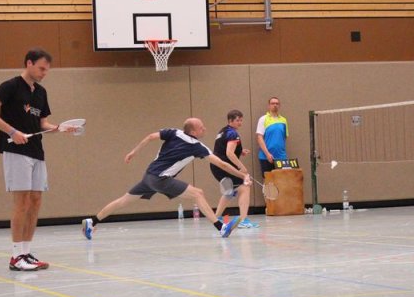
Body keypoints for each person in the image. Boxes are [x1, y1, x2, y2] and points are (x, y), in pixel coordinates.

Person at [0, 48, 75, 272]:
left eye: (47, 70)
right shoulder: (10, 86)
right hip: (15, 150)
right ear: (29, 63)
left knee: (35, 201)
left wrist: (60, 128)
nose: (44, 73)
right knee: (21, 201)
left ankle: (25, 252)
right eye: (41, 68)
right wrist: (12, 131)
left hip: (36, 151)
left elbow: (42, 125)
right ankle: (15, 256)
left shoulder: (41, 93)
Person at [81, 118, 251, 239]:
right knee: (198, 193)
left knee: (123, 201)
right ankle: (221, 228)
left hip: (148, 176)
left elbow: (150, 137)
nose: (204, 129)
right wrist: (242, 174)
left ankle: (92, 222)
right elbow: (221, 164)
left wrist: (133, 152)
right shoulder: (197, 146)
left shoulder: (174, 132)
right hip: (160, 179)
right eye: (201, 128)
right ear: (193, 132)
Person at [210, 110, 259, 229]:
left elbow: (222, 149)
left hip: (215, 166)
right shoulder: (233, 134)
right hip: (224, 166)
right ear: (230, 120)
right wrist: (242, 167)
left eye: (241, 120)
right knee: (244, 187)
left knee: (230, 191)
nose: (240, 122)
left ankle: (216, 218)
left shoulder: (223, 131)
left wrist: (240, 151)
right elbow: (229, 153)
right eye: (237, 120)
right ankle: (243, 220)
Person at [256, 96, 289, 176]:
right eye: (273, 103)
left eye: (277, 103)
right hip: (266, 157)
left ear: (279, 105)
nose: (275, 105)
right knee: (268, 181)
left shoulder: (283, 120)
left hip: (281, 157)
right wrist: (267, 154)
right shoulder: (263, 119)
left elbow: (284, 137)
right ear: (269, 106)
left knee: (282, 180)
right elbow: (259, 137)